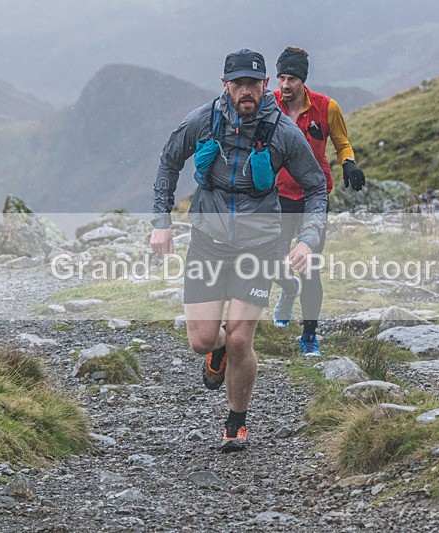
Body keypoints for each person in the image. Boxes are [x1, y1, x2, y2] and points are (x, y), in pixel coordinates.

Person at [149, 49, 328, 453]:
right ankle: (216, 355)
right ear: (225, 85)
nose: (246, 91)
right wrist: (161, 223)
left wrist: (307, 238)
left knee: (240, 340)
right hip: (208, 244)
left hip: (260, 246)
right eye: (238, 83)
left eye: (254, 83)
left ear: (266, 85)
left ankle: (236, 423)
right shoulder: (203, 121)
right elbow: (167, 163)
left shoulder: (283, 132)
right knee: (202, 340)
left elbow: (316, 187)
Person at [271, 46, 365, 357]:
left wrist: (348, 162)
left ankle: (309, 335)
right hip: (278, 194)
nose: (285, 85)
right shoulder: (268, 105)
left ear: (303, 81)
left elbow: (342, 143)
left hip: (314, 196)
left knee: (309, 268)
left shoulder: (327, 108)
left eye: (292, 78)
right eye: (282, 77)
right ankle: (287, 290)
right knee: (271, 261)